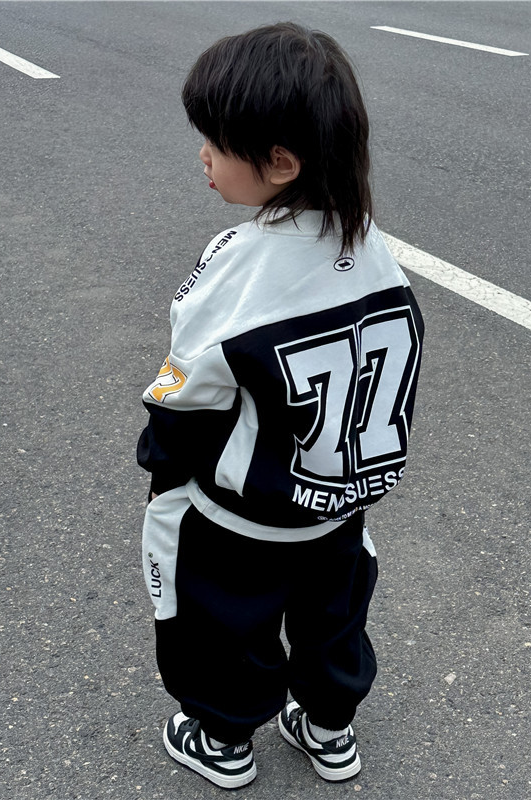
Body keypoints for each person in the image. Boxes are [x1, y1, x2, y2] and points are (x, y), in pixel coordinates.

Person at [137, 22, 424, 790]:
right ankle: (329, 730)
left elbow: (188, 396)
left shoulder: (239, 266)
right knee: (335, 620)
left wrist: (163, 472)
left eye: (215, 142)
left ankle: (223, 741)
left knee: (221, 628)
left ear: (281, 162)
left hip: (244, 518)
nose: (203, 155)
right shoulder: (374, 249)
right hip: (337, 505)